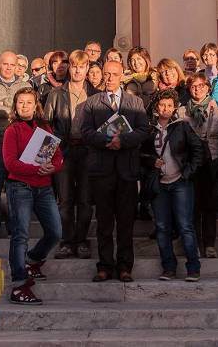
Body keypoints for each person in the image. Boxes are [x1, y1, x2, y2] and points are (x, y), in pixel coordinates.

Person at [81, 60, 150, 282]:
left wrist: (124, 141)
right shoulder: (92, 102)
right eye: (106, 74)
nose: (109, 78)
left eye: (114, 74)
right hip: (102, 171)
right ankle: (104, 266)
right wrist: (107, 140)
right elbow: (86, 132)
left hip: (126, 171)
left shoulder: (135, 102)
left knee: (126, 222)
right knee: (103, 222)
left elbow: (143, 130)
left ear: (122, 76)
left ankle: (124, 267)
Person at [4, 88, 64, 305]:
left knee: (56, 231)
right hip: (20, 187)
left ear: (35, 105)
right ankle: (19, 285)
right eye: (20, 102)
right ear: (15, 105)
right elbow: (10, 163)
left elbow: (58, 157)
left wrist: (52, 168)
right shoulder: (12, 130)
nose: (25, 106)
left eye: (29, 102)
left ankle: (33, 259)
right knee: (20, 234)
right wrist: (34, 170)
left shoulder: (45, 127)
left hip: (44, 187)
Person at [142, 89, 203, 282]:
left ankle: (193, 268)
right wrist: (152, 161)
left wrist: (187, 173)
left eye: (169, 105)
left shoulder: (181, 127)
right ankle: (168, 267)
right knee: (162, 227)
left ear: (175, 108)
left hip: (180, 182)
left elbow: (197, 150)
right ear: (156, 107)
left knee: (185, 225)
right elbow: (140, 155)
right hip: (159, 184)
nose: (165, 109)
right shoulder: (149, 130)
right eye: (162, 105)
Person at [44, 50, 99, 260]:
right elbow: (47, 125)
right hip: (63, 152)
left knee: (85, 200)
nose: (77, 70)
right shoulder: (56, 94)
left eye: (81, 66)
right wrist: (46, 157)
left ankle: (82, 240)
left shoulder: (96, 94)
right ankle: (66, 241)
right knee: (65, 200)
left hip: (87, 153)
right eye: (74, 66)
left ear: (87, 69)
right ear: (69, 68)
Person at [176, 72, 218, 258]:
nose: (197, 89)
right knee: (193, 205)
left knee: (209, 204)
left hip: (211, 160)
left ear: (208, 88)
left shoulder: (217, 110)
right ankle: (194, 243)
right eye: (194, 86)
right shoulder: (182, 111)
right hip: (191, 162)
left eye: (201, 86)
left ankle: (210, 244)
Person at [0, 51, 32, 240]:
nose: (9, 68)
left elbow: (27, 110)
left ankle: (14, 226)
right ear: (0, 65)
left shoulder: (25, 85)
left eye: (12, 64)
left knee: (16, 187)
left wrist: (3, 106)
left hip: (19, 144)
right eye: (5, 64)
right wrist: (13, 108)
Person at [123, 46, 157, 111]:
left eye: (139, 59)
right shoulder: (126, 76)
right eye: (132, 60)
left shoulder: (154, 74)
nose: (136, 63)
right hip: (131, 112)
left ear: (146, 60)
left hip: (151, 113)